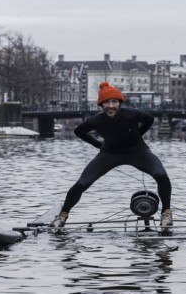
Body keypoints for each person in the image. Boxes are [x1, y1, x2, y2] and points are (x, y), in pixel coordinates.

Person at [51, 82, 173, 231]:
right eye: (106, 102)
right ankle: (63, 215)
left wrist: (138, 135)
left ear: (119, 103)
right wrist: (98, 145)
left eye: (114, 102)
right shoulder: (97, 120)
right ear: (101, 105)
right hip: (109, 154)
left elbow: (149, 120)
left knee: (162, 175)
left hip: (138, 151)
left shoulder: (131, 114)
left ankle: (166, 213)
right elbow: (79, 132)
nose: (111, 106)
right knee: (82, 184)